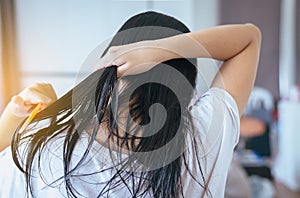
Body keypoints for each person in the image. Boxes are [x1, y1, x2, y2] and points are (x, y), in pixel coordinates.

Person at [0, 11, 261, 197]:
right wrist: (163, 50)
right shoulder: (202, 140)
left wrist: (13, 118)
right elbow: (249, 38)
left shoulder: (46, 150)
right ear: (185, 88)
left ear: (110, 60)